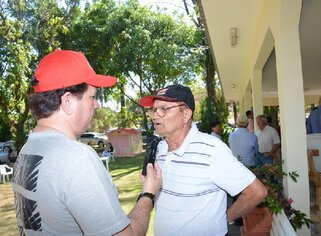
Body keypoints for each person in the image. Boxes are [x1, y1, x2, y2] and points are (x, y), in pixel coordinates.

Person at [12, 49, 162, 235]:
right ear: (68, 101)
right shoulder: (76, 157)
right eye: (92, 97)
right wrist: (148, 194)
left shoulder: (28, 149)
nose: (97, 104)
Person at [139, 84, 267, 235]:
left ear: (186, 115)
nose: (154, 116)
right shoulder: (159, 148)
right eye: (154, 109)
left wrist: (224, 217)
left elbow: (256, 192)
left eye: (163, 109)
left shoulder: (211, 150)